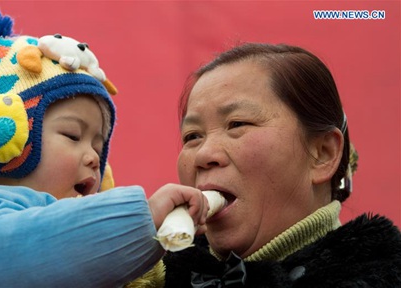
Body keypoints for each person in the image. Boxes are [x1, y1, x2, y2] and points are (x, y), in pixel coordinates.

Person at [0, 8, 208, 288]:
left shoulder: (77, 254)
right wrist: (142, 220)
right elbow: (30, 249)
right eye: (73, 135)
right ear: (6, 133)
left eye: (99, 147)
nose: (93, 158)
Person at [158, 43, 401, 287]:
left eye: (237, 123)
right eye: (192, 136)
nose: (204, 155)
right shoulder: (151, 275)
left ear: (322, 155)